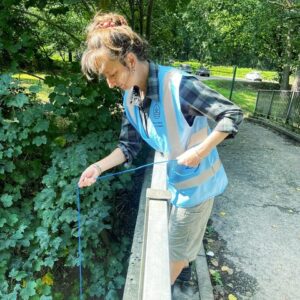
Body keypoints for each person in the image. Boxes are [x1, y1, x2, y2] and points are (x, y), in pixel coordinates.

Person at [78, 12, 243, 293]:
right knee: (177, 249)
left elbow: (232, 114)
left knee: (169, 262)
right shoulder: (130, 98)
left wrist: (200, 151)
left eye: (112, 74)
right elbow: (127, 147)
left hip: (198, 189)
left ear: (130, 61)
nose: (110, 83)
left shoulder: (179, 85)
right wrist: (98, 167)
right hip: (173, 184)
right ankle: (183, 276)